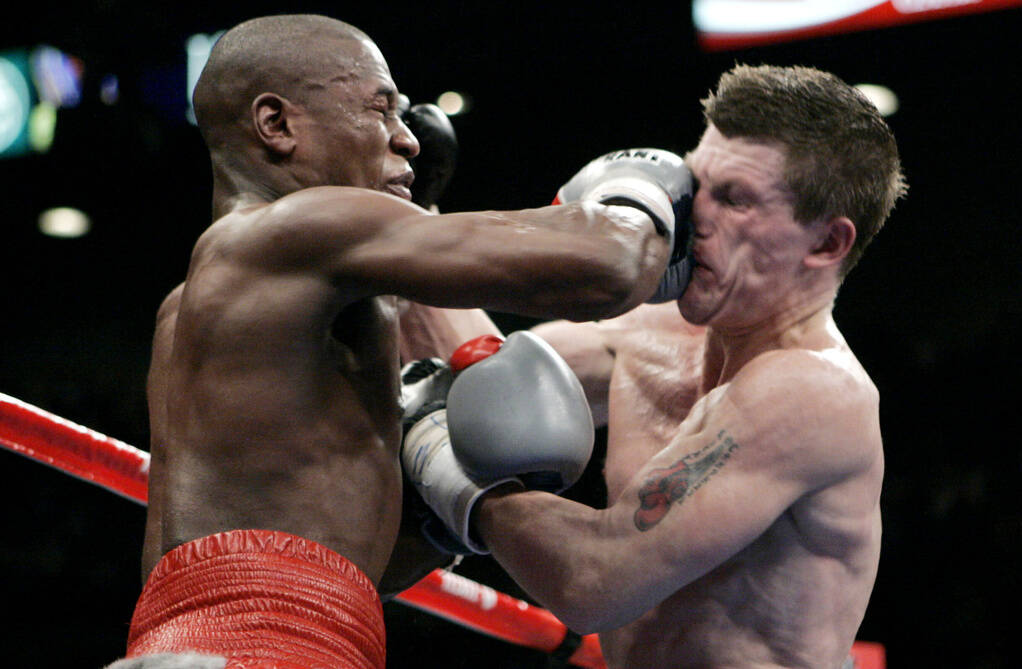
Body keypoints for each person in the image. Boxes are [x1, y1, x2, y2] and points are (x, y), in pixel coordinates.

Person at [123, 12, 695, 669]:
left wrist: (436, 509)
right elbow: (608, 266)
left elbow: (325, 573)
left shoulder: (195, 306)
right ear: (277, 126)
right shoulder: (290, 229)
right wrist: (637, 196)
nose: (410, 141)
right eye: (380, 109)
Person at [402, 63, 907, 668]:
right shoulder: (654, 332)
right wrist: (406, 220)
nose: (693, 216)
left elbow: (593, 580)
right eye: (698, 181)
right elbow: (485, 375)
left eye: (735, 199)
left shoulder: (814, 391)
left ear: (826, 244)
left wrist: (437, 458)